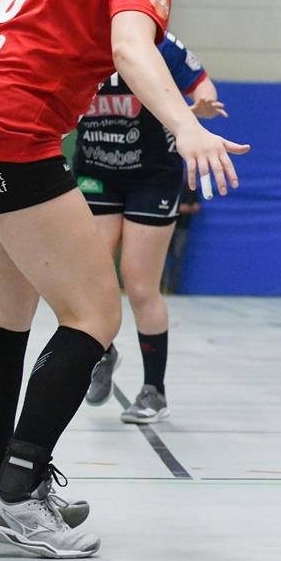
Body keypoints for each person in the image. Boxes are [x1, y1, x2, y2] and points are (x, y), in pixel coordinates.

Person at [0, 0, 246, 558]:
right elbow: (130, 47)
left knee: (9, 309)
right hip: (6, 134)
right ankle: (17, 491)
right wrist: (185, 127)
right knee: (95, 313)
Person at [76, 31, 225, 424]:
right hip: (96, 169)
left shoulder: (154, 39)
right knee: (88, 278)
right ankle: (102, 351)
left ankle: (153, 391)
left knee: (139, 284)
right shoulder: (74, 33)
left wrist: (203, 102)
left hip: (152, 176)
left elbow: (201, 81)